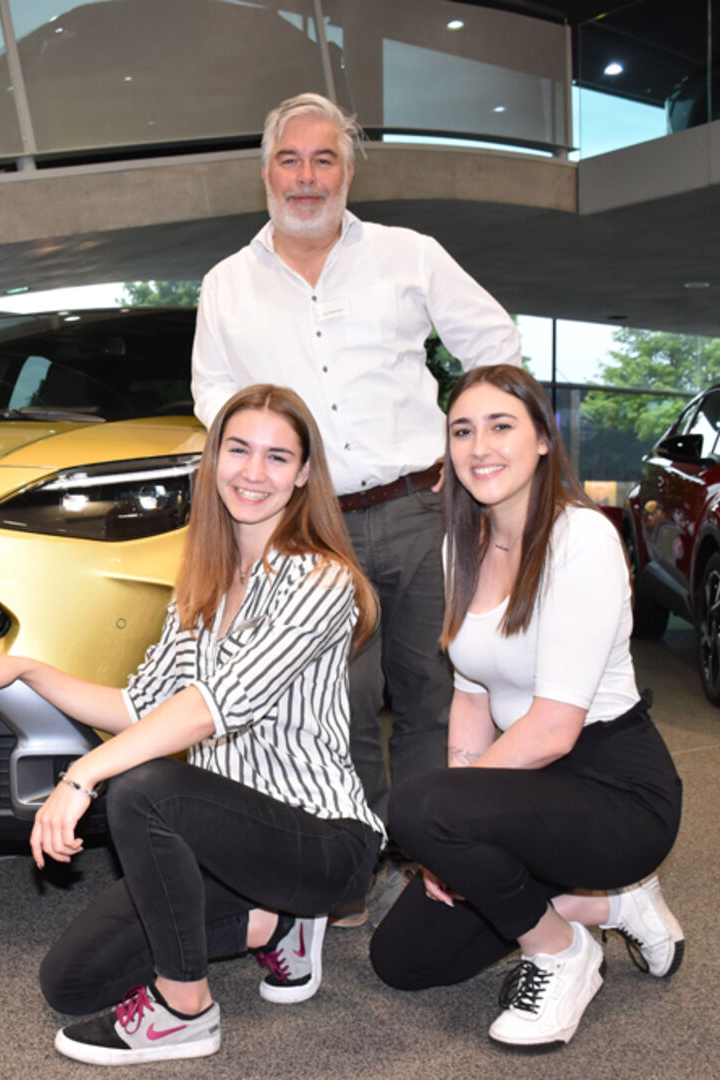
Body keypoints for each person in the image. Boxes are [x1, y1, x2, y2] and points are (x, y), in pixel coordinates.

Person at [0, 384, 383, 1066]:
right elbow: (140, 707)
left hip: (320, 842)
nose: (253, 472)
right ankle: (274, 926)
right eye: (238, 450)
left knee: (142, 787)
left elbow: (217, 704)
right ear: (213, 460)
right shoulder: (201, 586)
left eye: (276, 457)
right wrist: (28, 670)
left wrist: (82, 776)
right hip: (227, 841)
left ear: (302, 474)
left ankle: (186, 1010)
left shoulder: (319, 581)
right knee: (72, 982)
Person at [191, 93, 523, 920]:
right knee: (332, 706)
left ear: (347, 171)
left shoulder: (409, 255)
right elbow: (213, 399)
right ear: (265, 173)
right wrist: (260, 484)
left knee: (431, 697)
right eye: (290, 160)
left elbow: (495, 345)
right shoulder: (226, 285)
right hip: (309, 528)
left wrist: (469, 446)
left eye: (324, 159)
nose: (306, 177)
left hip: (419, 512)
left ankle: (432, 864)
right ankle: (356, 862)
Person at [367, 364, 684, 1049]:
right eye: (462, 431)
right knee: (402, 962)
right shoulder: (463, 544)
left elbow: (553, 729)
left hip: (615, 791)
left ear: (542, 439)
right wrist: (451, 828)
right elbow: (471, 692)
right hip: (525, 786)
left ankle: (562, 953)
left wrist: (444, 815)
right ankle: (610, 905)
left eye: (500, 426)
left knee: (418, 806)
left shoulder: (581, 539)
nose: (479, 446)